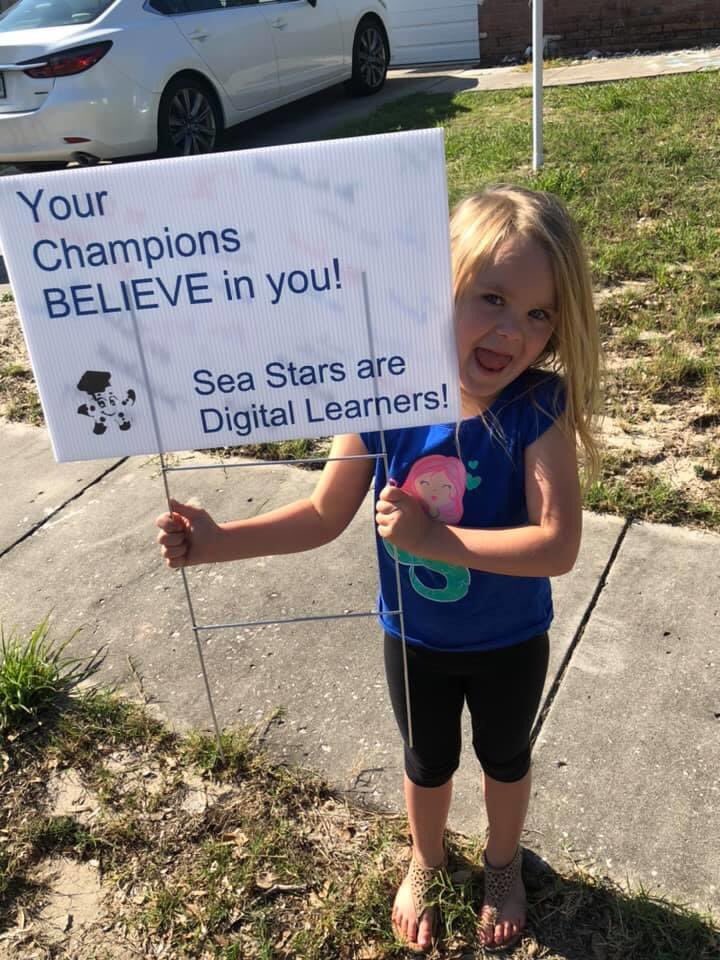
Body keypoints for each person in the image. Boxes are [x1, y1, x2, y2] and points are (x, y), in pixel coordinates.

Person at [156, 185, 601, 953]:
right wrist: (218, 539)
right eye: (491, 298)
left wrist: (439, 543)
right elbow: (324, 514)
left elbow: (558, 545)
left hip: (509, 638)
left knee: (505, 756)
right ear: (439, 286)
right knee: (426, 763)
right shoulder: (385, 390)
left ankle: (501, 865)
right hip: (416, 636)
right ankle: (426, 859)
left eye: (539, 314)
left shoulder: (539, 406)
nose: (513, 331)